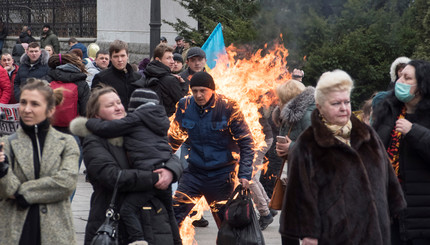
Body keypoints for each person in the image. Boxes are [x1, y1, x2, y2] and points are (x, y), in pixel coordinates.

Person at [280, 69, 406, 245]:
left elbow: (388, 176)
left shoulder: (367, 134)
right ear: (320, 106)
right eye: (336, 103)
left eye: (346, 102)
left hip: (375, 232)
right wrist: (309, 234)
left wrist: (394, 209)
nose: (343, 108)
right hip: (334, 234)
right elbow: (299, 192)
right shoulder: (308, 143)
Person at [69, 85, 182, 245]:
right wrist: (155, 177)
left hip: (154, 222)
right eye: (109, 105)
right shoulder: (94, 140)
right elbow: (112, 176)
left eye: (118, 103)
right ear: (96, 115)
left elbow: (167, 154)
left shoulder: (137, 128)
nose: (117, 107)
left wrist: (171, 170)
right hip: (114, 223)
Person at [169, 72, 254, 228]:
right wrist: (160, 162)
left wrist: (244, 174)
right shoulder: (184, 106)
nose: (199, 95)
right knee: (173, 217)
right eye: (194, 91)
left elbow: (246, 142)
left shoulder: (229, 107)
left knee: (227, 226)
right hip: (194, 173)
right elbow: (174, 139)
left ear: (212, 90)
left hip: (221, 176)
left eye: (203, 90)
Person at [0, 78, 80, 244]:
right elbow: (5, 191)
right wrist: (2, 169)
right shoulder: (7, 143)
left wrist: (22, 193)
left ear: (50, 110)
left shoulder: (66, 143)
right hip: (14, 232)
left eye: (35, 104)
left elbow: (66, 183)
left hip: (56, 233)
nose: (26, 109)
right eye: (23, 102)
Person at [372, 60, 430, 245]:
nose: (400, 81)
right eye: (400, 76)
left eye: (407, 78)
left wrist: (413, 131)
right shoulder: (388, 110)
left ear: (421, 85)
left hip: (422, 217)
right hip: (391, 212)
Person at [91, 40, 141, 110]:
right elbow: (95, 106)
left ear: (127, 56)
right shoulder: (101, 78)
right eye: (116, 56)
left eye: (122, 56)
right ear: (111, 58)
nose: (120, 60)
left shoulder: (138, 78)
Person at [45, 53, 90, 132]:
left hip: (50, 129)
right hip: (74, 129)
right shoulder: (81, 83)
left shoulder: (48, 79)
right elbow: (86, 111)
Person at [139, 44, 184, 117]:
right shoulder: (170, 80)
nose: (172, 62)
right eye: (168, 58)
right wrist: (183, 84)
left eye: (172, 58)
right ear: (158, 60)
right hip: (169, 122)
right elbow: (183, 102)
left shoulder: (147, 74)